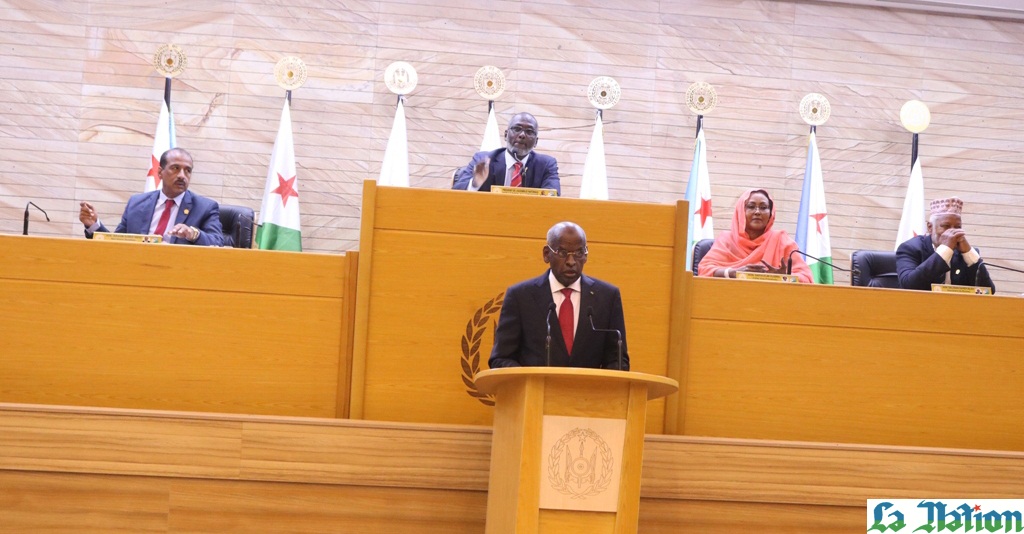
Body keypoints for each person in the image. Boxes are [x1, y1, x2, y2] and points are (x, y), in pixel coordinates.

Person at [489, 221, 628, 370]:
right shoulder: (520, 297)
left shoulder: (607, 297)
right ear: (546, 254)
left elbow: (618, 361)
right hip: (535, 392)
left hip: (588, 392)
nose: (571, 262)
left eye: (579, 253)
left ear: (586, 255)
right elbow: (501, 358)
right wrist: (528, 381)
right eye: (562, 253)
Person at [79, 148, 224, 246]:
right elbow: (118, 244)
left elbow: (218, 242)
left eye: (187, 171)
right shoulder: (136, 203)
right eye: (175, 168)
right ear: (160, 172)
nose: (182, 175)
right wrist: (93, 225)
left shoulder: (205, 207)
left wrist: (193, 234)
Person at [697, 189, 813, 283]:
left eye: (763, 207)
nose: (757, 212)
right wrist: (734, 273)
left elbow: (806, 278)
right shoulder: (726, 240)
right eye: (751, 206)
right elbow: (704, 270)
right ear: (741, 211)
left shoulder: (782, 241)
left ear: (771, 214)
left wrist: (784, 278)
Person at [896, 197, 995, 293]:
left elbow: (988, 291)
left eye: (957, 227)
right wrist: (945, 251)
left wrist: (968, 253)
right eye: (945, 226)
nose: (952, 232)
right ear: (930, 227)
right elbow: (908, 286)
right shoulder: (911, 248)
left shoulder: (964, 252)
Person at [452, 112, 560, 195]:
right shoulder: (484, 160)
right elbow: (455, 194)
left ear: (536, 141)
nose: (522, 135)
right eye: (517, 129)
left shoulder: (546, 165)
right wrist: (475, 184)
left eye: (529, 132)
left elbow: (553, 197)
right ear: (505, 135)